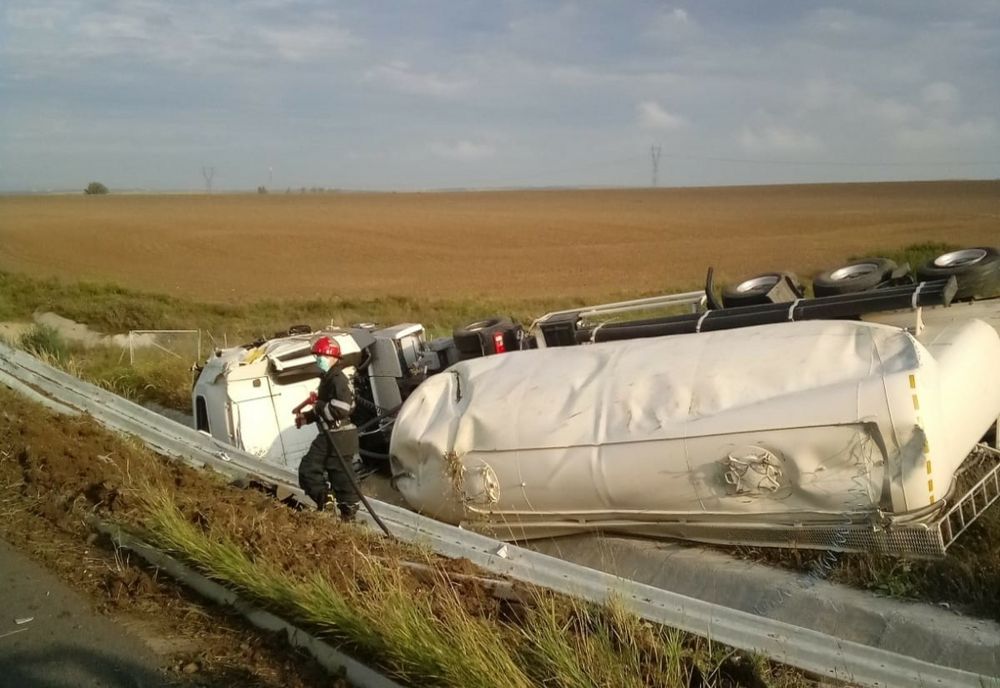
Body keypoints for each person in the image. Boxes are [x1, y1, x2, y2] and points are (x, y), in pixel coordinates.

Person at [295, 335, 361, 521]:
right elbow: (325, 408)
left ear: (332, 357)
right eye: (317, 356)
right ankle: (338, 509)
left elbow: (342, 408)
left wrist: (318, 405)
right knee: (340, 474)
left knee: (309, 469)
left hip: (338, 436)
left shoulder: (337, 379)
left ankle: (329, 502)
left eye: (321, 356)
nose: (318, 359)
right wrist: (307, 418)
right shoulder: (328, 378)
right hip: (338, 435)